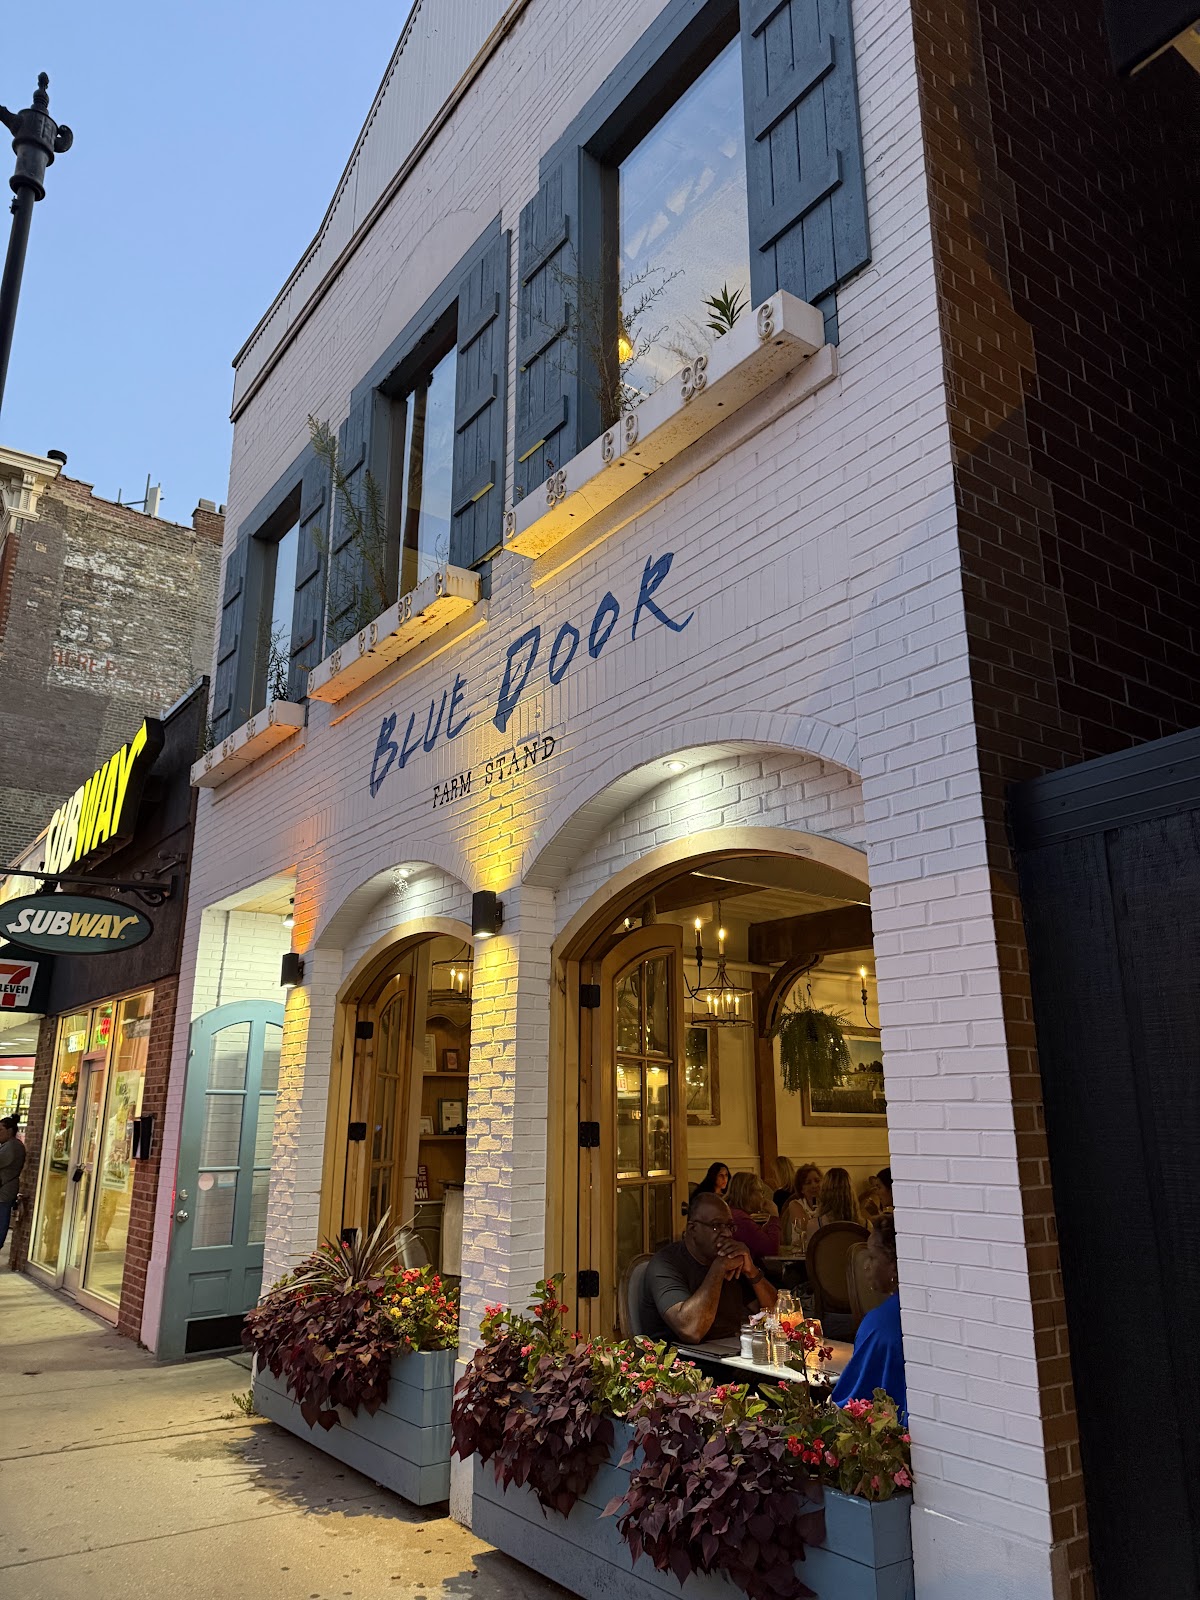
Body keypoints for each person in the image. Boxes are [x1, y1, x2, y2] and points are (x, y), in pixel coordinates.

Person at [639, 1191, 777, 1344]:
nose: (726, 1233)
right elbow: (691, 1331)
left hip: (730, 1355)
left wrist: (752, 1271)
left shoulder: (731, 1259)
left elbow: (776, 1314)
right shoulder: (665, 1264)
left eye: (730, 1226)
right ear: (692, 1229)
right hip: (683, 1361)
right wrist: (718, 1269)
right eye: (716, 1226)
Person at [833, 1215, 906, 1420]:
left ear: (894, 1265)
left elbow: (853, 1398)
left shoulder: (879, 1323)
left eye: (873, 1257)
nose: (866, 1265)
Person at [727, 1170, 780, 1264]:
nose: (762, 1196)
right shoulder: (742, 1220)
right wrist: (774, 1215)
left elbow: (757, 1238)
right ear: (748, 1193)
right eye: (760, 1191)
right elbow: (772, 1250)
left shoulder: (733, 1213)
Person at [806, 1166, 858, 1244]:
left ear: (824, 1193)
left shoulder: (814, 1226)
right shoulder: (866, 1226)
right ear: (851, 1194)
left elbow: (810, 1255)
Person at [0, 1115, 26, 1251]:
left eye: (0, 1130)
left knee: (1, 1219)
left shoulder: (12, 1146)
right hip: (4, 1187)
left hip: (4, 1190)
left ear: (9, 1131)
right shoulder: (8, 1145)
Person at [781, 1163, 821, 1246]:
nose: (814, 1185)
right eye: (808, 1183)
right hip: (799, 1252)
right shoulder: (795, 1204)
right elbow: (806, 1228)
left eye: (817, 1181)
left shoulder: (827, 1204)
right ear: (801, 1189)